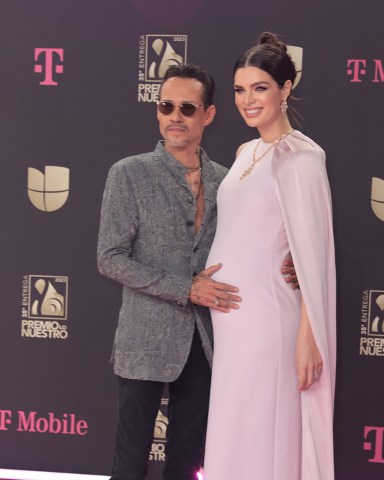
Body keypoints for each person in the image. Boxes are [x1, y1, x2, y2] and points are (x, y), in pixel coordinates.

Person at [98, 63, 298, 480]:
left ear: (208, 115)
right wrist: (185, 288)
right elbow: (110, 257)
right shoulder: (129, 174)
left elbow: (260, 238)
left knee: (188, 460)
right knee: (130, 458)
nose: (175, 116)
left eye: (187, 108)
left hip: (209, 344)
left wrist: (291, 262)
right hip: (144, 341)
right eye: (166, 105)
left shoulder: (229, 181)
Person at [203, 33, 336, 480]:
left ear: (286, 88)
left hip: (269, 323)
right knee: (237, 429)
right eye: (240, 90)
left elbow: (313, 257)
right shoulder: (245, 152)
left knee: (265, 431)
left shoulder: (301, 157)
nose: (247, 100)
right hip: (233, 324)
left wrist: (308, 337)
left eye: (260, 87)